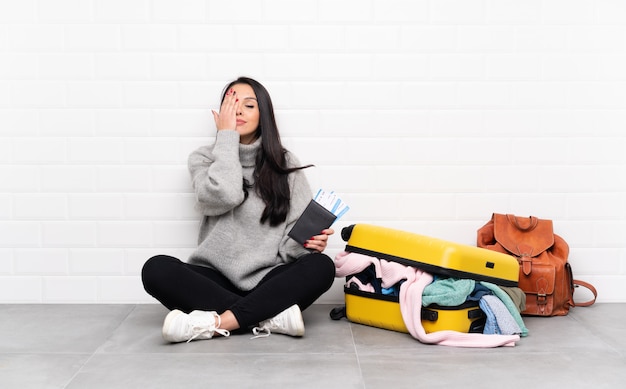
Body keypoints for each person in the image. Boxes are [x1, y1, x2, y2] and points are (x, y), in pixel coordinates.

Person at [141, 77, 336, 343]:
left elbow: (291, 248)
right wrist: (227, 138)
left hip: (268, 276)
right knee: (155, 269)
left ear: (263, 114)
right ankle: (268, 316)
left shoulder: (285, 163)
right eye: (232, 104)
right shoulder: (203, 158)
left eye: (249, 105)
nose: (239, 111)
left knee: (321, 266)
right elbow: (225, 195)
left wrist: (310, 244)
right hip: (214, 278)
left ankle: (218, 322)